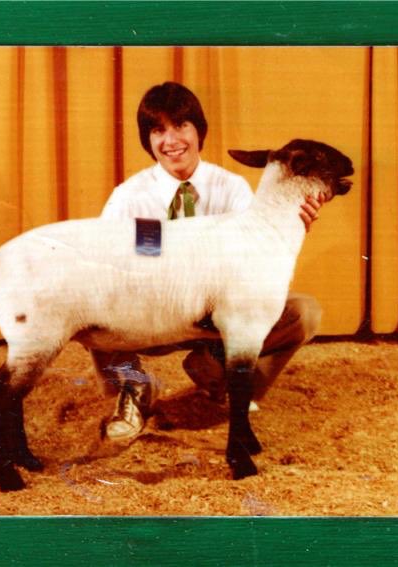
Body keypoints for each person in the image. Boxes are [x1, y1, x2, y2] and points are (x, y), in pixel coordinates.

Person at [94, 81, 323, 442]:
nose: (171, 141)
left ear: (199, 131)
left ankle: (219, 376)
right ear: (147, 140)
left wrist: (292, 228)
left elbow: (255, 263)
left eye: (181, 126)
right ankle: (135, 389)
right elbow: (107, 267)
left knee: (302, 312)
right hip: (152, 315)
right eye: (158, 130)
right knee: (91, 304)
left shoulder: (231, 188)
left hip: (216, 314)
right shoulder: (128, 198)